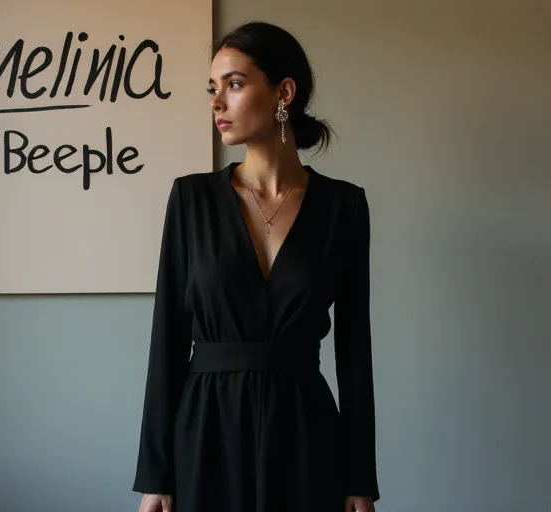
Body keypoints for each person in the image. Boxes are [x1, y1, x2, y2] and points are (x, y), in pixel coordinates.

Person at [132, 21, 380, 512]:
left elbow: (355, 352)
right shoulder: (191, 199)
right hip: (204, 431)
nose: (216, 102)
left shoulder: (342, 207)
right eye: (213, 88)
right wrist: (155, 475)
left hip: (306, 435)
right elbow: (167, 340)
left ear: (283, 92)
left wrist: (359, 479)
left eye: (235, 84)